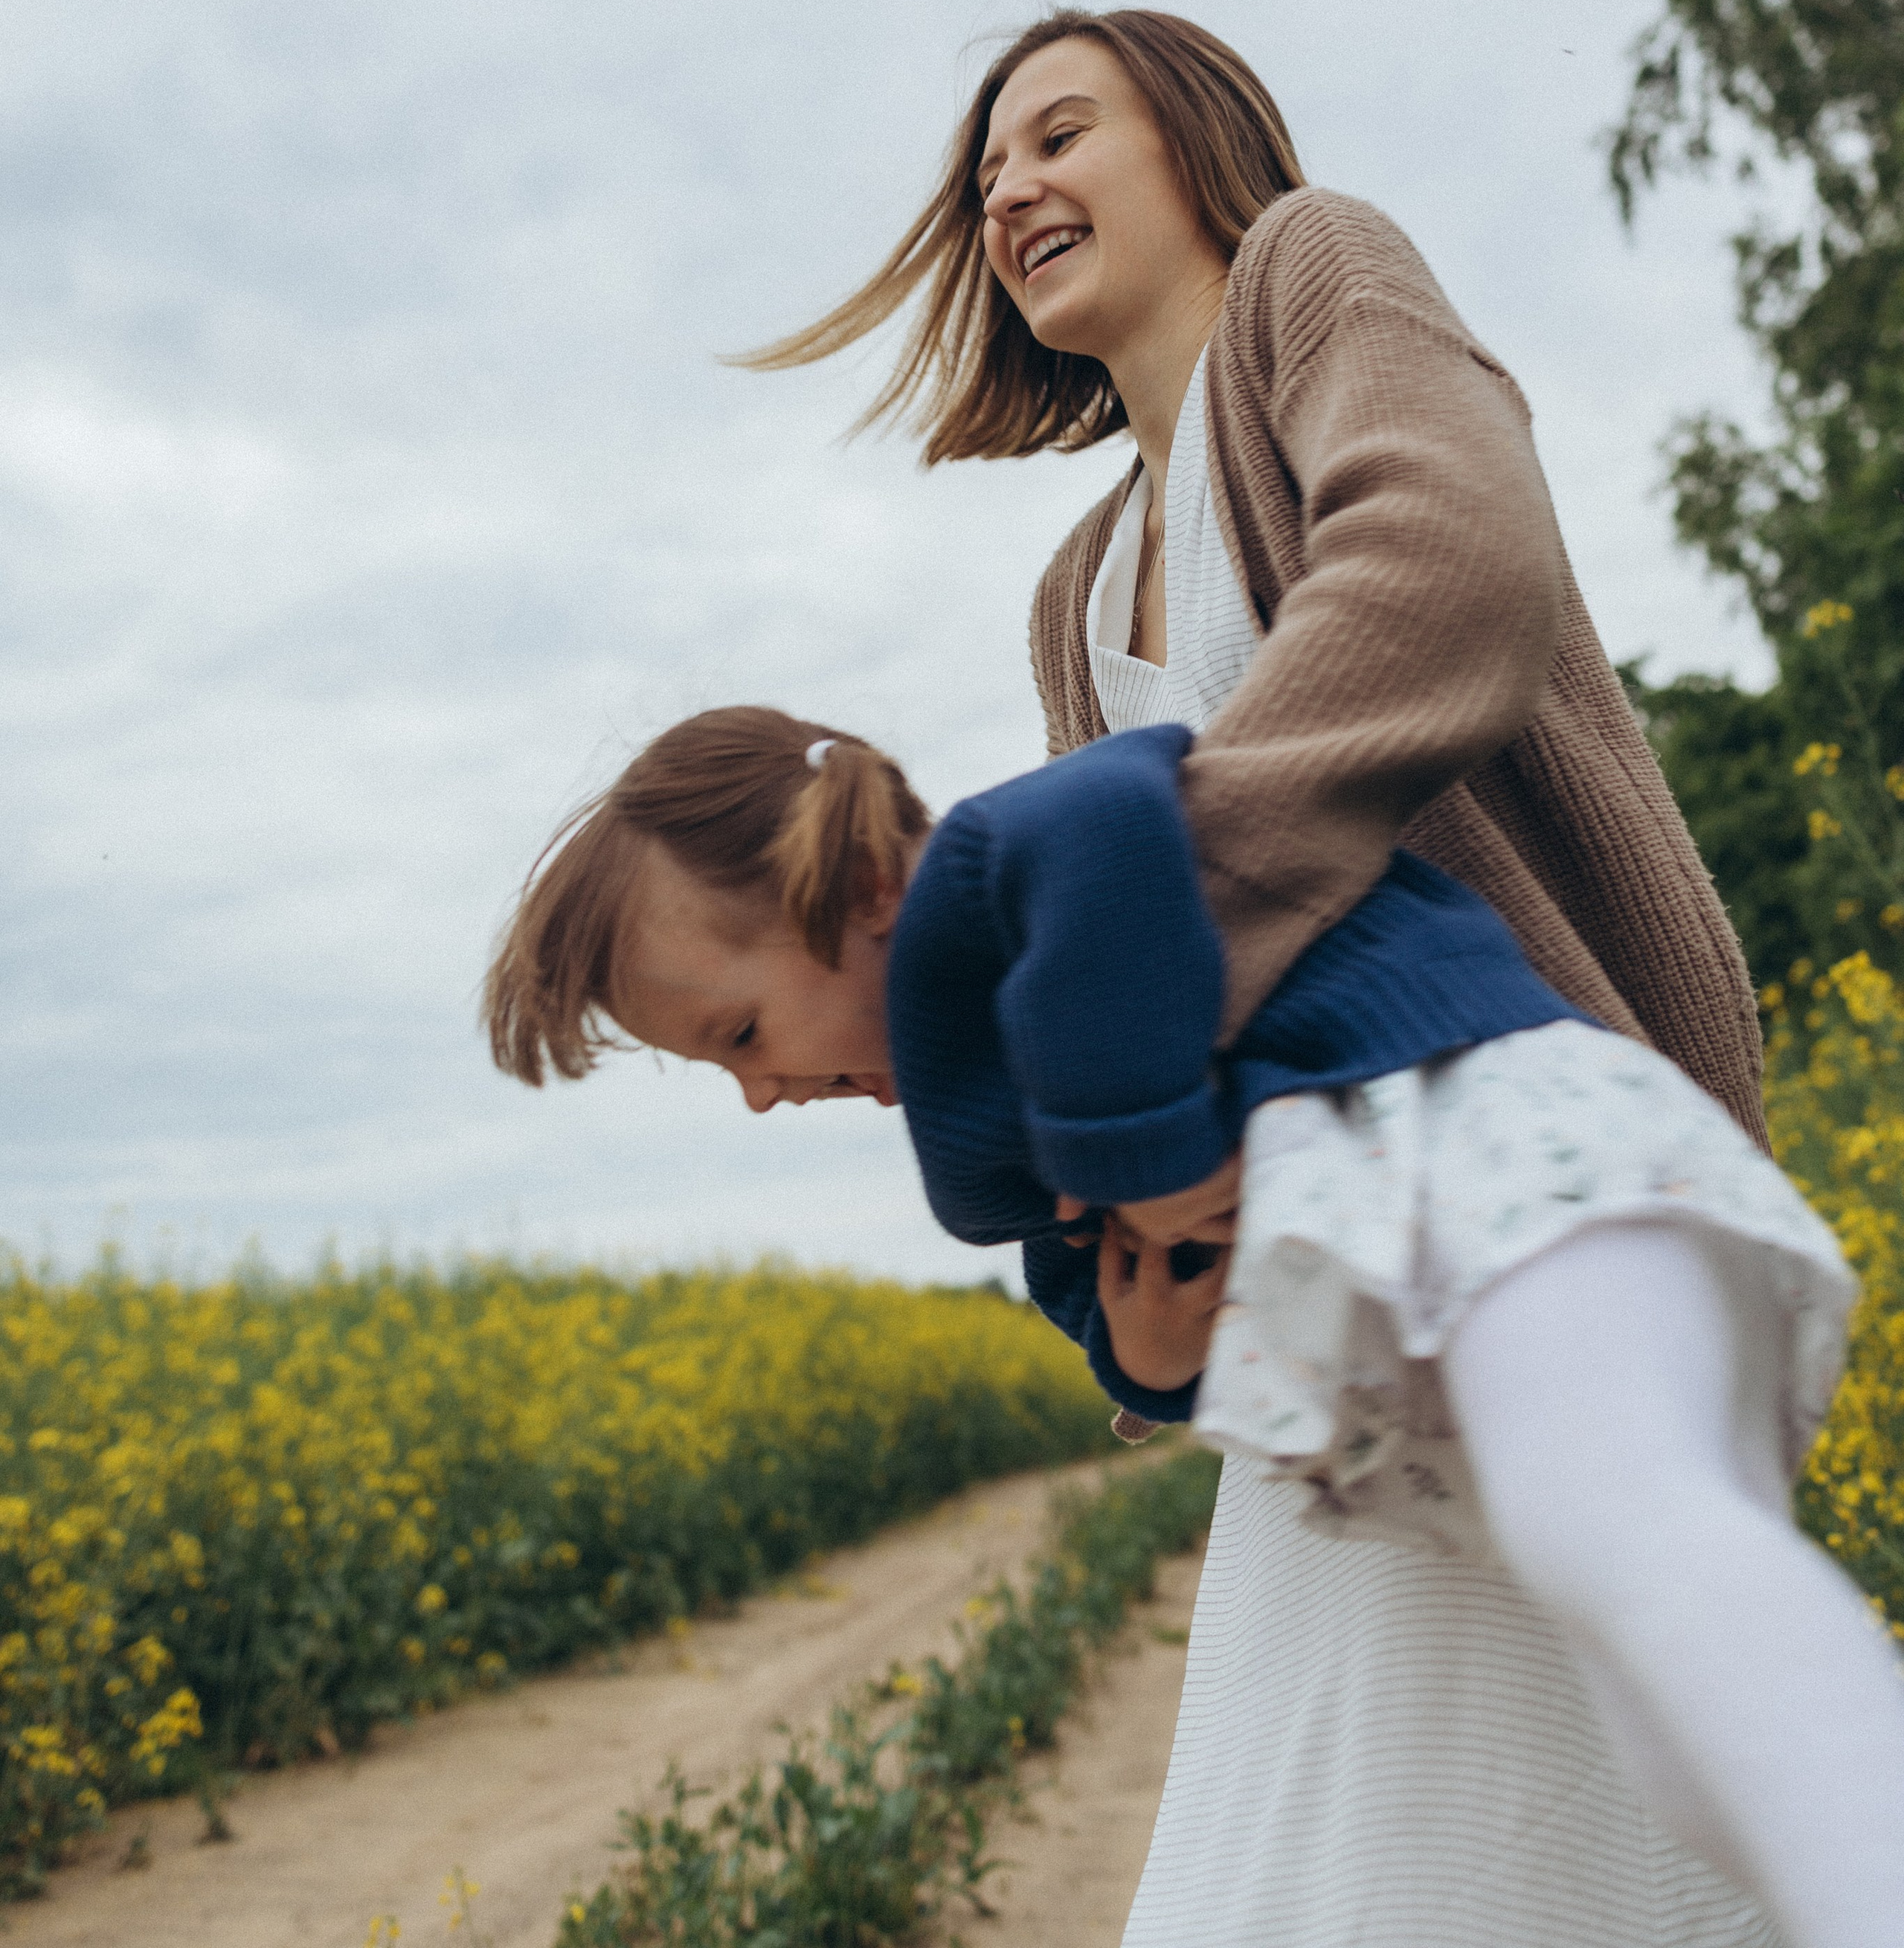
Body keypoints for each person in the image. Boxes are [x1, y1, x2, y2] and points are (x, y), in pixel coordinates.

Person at [724, 2, 1904, 1948]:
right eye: (985, 172)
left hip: (1531, 1139)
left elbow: (1455, 570)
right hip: (1348, 1265)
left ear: (1199, 137)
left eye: (1058, 132)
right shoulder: (1079, 588)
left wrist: (1149, 951)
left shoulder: (1315, 273)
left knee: (1647, 1673)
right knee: (1438, 1830)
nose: (1010, 186)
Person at [485, 702, 1892, 1948]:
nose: (762, 1096)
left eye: (740, 1036)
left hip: (1504, 1164)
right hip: (1451, 1275)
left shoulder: (1003, 874)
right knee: (1664, 1731)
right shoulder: (996, 1144)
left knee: (1631, 1536)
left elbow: (1117, 802)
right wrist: (1154, 1335)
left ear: (856, 884)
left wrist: (1145, 1152)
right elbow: (1127, 1340)